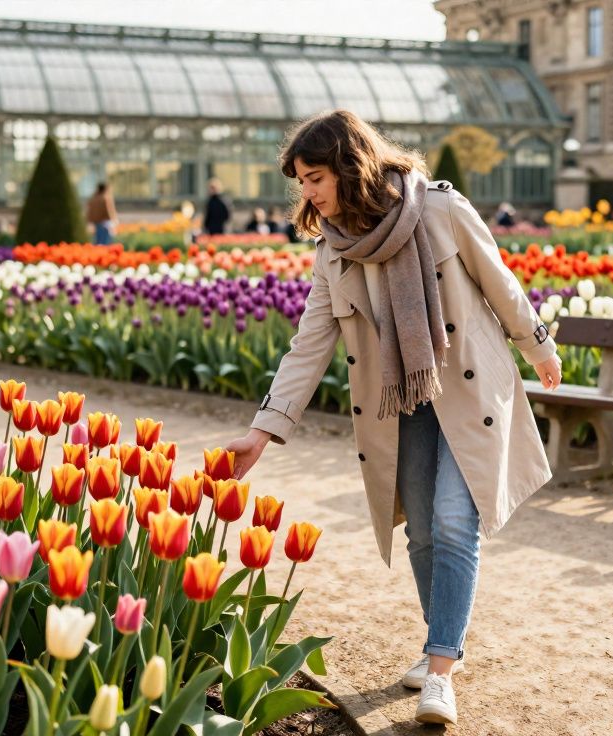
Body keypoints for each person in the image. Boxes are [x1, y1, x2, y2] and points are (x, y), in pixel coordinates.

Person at [224, 110, 562, 727]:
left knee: (457, 523)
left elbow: (500, 281)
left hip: (466, 391)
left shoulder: (440, 210)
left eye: (316, 176)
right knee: (423, 533)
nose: (308, 192)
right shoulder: (333, 250)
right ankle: (446, 639)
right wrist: (263, 430)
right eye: (301, 180)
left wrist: (539, 345)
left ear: (351, 166)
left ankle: (438, 673)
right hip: (399, 402)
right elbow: (309, 343)